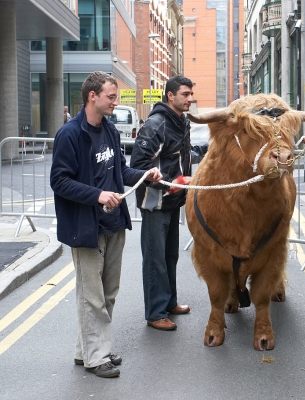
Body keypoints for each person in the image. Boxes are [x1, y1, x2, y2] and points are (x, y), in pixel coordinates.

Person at [50, 71, 162, 378]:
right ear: (92, 97)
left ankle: (87, 349)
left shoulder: (111, 131)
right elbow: (59, 181)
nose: (116, 102)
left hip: (114, 224)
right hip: (86, 227)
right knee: (92, 296)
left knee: (108, 293)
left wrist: (144, 174)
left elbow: (119, 173)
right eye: (111, 97)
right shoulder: (70, 134)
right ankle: (96, 356)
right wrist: (97, 196)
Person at [130, 75, 208, 331]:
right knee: (155, 260)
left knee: (170, 256)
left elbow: (185, 154)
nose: (190, 98)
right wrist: (173, 182)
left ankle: (169, 302)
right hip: (155, 203)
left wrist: (209, 149)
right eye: (185, 94)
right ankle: (155, 314)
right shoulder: (155, 125)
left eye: (190, 94)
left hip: (174, 201)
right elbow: (138, 166)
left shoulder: (180, 121)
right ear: (170, 96)